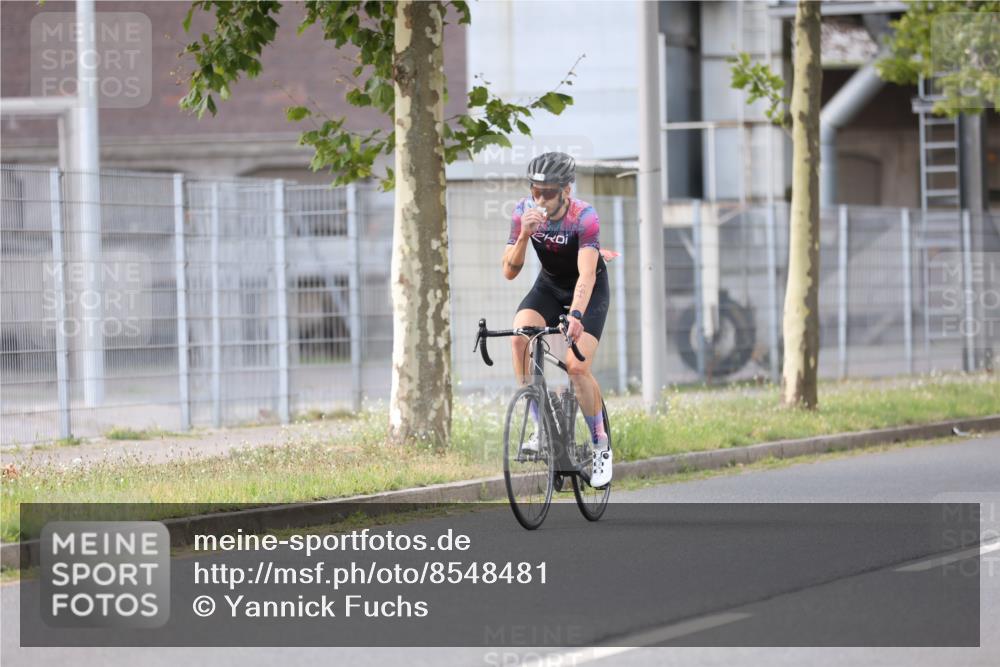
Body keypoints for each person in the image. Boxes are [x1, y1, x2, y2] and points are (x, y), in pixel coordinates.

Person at [501, 152, 612, 488]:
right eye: (535, 190)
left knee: (577, 367)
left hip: (587, 289)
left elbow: (587, 273)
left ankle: (600, 446)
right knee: (520, 337)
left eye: (548, 192)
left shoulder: (584, 216)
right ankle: (539, 426)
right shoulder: (522, 212)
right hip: (548, 286)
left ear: (567, 189)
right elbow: (509, 271)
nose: (540, 199)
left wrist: (576, 315)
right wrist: (523, 236)